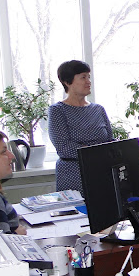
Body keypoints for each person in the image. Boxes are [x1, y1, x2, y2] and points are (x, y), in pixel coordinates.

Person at [48, 60, 113, 193]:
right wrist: (98, 153)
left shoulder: (98, 109)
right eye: (83, 77)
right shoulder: (57, 110)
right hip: (73, 176)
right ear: (67, 82)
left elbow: (110, 140)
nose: (88, 81)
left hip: (103, 173)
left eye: (89, 77)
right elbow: (63, 147)